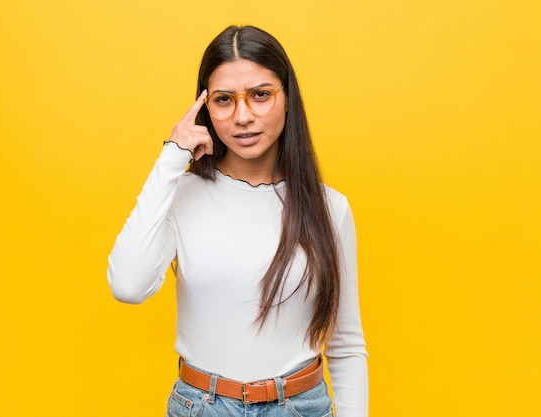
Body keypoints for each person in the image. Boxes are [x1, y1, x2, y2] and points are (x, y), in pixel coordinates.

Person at [107, 25, 368, 417]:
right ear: (204, 108)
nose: (243, 116)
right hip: (203, 406)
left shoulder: (330, 208)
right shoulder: (180, 195)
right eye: (224, 100)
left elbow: (346, 346)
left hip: (301, 407)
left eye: (261, 95)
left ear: (287, 97)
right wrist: (172, 157)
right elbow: (128, 286)